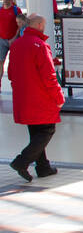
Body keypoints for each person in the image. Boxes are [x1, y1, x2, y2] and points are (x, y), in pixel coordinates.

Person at [8, 14, 65, 182]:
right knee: (47, 130)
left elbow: (11, 72)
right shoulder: (40, 45)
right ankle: (22, 161)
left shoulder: (16, 44)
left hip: (23, 96)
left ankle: (43, 167)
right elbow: (49, 76)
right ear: (39, 25)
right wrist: (58, 96)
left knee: (35, 132)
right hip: (40, 96)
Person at [0, 0, 25, 89]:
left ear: (12, 0)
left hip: (14, 40)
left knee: (15, 62)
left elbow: (21, 24)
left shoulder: (16, 10)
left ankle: (16, 83)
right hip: (2, 40)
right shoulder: (0, 10)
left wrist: (15, 37)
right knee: (1, 62)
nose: (5, 0)